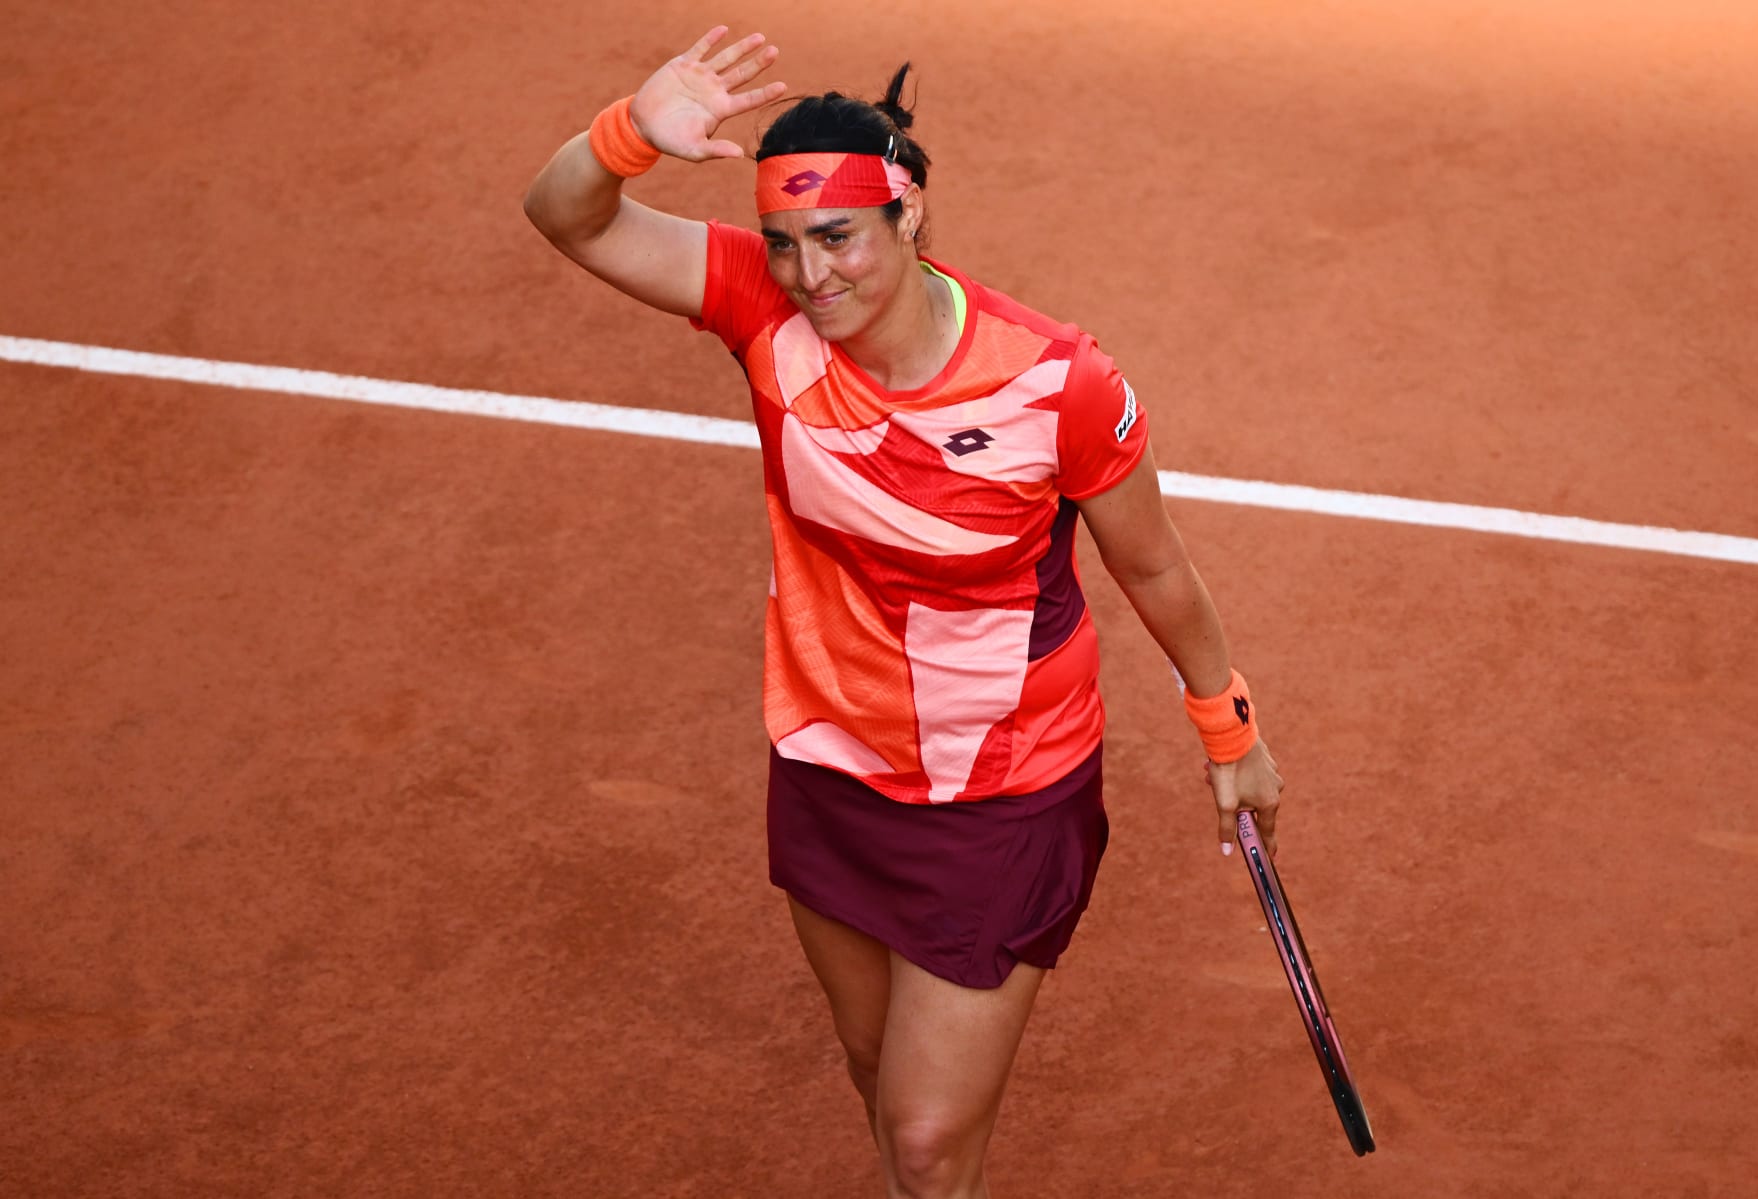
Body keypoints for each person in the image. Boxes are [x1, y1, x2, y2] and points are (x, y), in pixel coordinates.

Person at [524, 26, 1284, 1199]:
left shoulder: (1055, 381)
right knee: (879, 1076)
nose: (811, 276)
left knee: (926, 1137)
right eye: (783, 245)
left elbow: (1159, 568)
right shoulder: (758, 310)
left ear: (908, 214)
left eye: (837, 238)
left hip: (1004, 788)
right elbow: (567, 215)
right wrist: (629, 131)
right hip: (830, 760)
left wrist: (1227, 723)